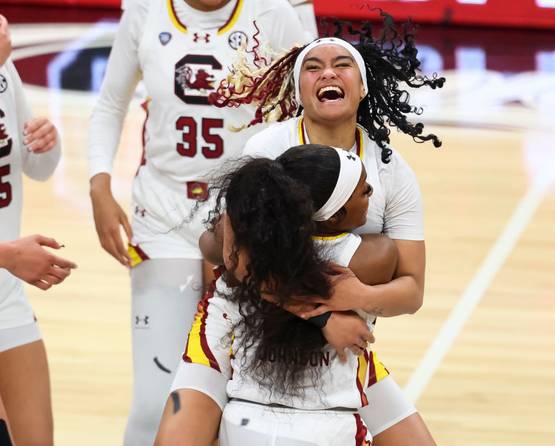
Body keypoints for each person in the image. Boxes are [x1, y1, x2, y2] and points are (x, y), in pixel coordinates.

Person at [209, 15, 444, 445]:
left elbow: (412, 290)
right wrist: (318, 314)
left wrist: (362, 296)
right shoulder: (267, 148)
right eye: (313, 67)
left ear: (363, 86)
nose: (328, 73)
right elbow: (229, 256)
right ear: (299, 91)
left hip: (337, 343)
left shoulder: (391, 170)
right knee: (173, 433)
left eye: (342, 64)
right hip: (243, 326)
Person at [87, 0, 310, 444]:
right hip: (163, 218)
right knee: (157, 402)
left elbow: (300, 118)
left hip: (246, 225)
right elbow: (111, 102)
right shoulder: (145, 10)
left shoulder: (275, 13)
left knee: (238, 405)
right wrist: (99, 184)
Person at [156, 144, 398, 445]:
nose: (373, 192)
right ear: (334, 216)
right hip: (231, 326)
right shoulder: (373, 253)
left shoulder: (255, 236)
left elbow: (213, 248)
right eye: (364, 190)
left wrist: (238, 232)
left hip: (285, 349)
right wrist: (322, 317)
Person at [0, 14, 75, 446]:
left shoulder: (4, 68)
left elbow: (37, 168)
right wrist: (9, 255)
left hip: (6, 297)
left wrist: (49, 141)